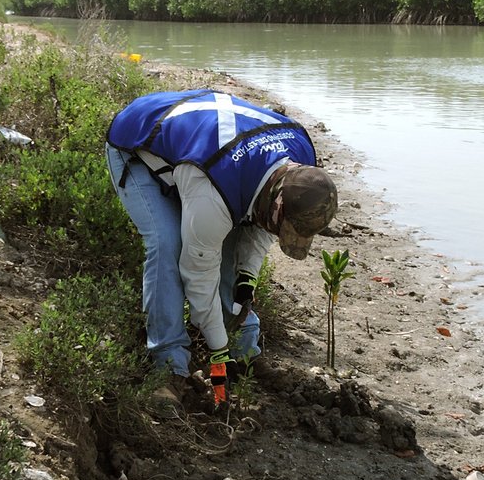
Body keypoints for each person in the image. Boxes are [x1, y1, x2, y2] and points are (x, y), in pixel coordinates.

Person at [106, 89, 339, 406]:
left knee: (226, 247)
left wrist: (246, 280)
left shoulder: (304, 169)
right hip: (138, 142)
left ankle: (244, 352)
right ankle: (169, 366)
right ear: (276, 202)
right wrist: (218, 350)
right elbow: (197, 275)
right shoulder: (212, 194)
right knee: (168, 244)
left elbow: (259, 231)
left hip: (207, 155)